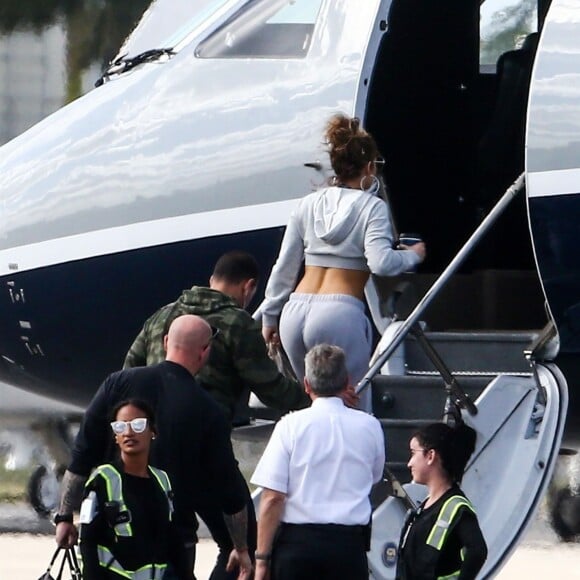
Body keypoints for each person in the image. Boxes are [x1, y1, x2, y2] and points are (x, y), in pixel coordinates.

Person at [55, 315, 252, 580]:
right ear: (204, 352)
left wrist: (65, 517)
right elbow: (230, 492)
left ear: (166, 341)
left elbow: (81, 458)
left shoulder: (117, 384)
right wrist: (240, 547)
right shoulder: (208, 410)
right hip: (173, 545)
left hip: (111, 544)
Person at [260, 113, 426, 411]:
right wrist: (412, 255)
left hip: (294, 313)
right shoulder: (372, 207)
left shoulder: (307, 204)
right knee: (353, 405)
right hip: (339, 313)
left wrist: (270, 315)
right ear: (370, 167)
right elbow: (381, 263)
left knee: (312, 407)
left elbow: (284, 267)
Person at [124, 250, 310, 424]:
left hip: (154, 429)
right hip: (206, 431)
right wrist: (314, 397)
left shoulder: (161, 315)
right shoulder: (238, 323)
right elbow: (270, 388)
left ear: (212, 279)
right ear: (249, 286)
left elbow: (130, 372)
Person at [250, 344, 385, 580]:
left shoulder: (289, 426)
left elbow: (273, 498)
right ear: (347, 382)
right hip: (348, 547)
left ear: (306, 384)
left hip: (298, 547)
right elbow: (373, 477)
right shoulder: (370, 426)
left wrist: (262, 559)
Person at [79, 399, 183, 579]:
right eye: (120, 427)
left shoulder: (162, 480)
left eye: (138, 425)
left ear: (152, 431)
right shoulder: (102, 480)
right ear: (115, 436)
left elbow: (173, 540)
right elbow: (87, 541)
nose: (128, 432)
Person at [396, 422, 488, 580]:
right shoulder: (425, 506)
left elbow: (477, 550)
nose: (409, 463)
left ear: (430, 456)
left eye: (413, 453)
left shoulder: (455, 507)